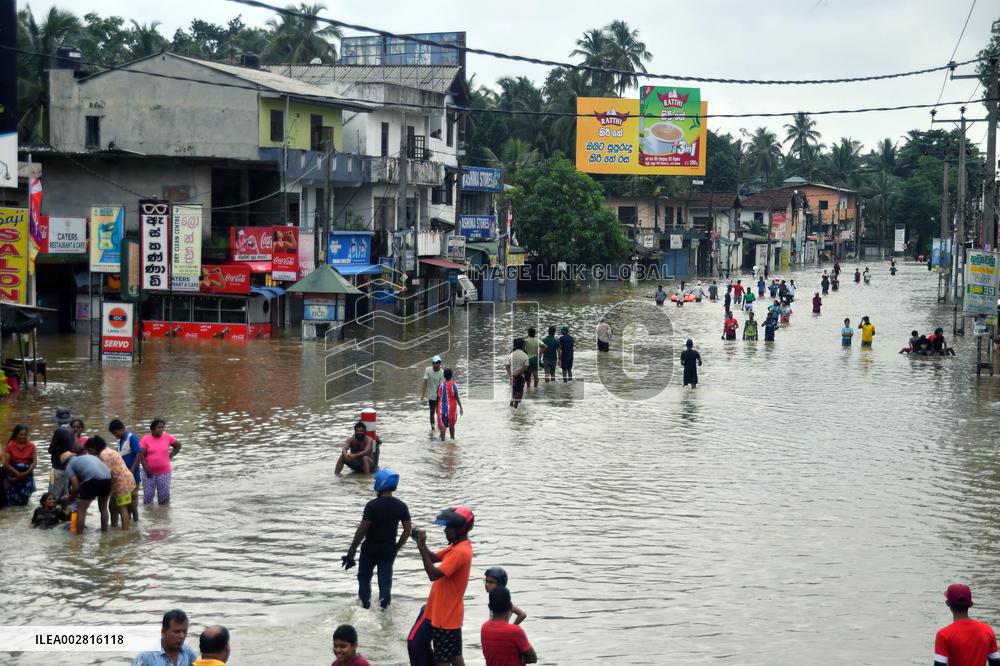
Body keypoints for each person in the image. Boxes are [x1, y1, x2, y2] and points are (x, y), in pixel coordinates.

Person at [413, 506, 475, 666]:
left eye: (448, 527)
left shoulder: (459, 552)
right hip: (451, 615)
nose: (445, 530)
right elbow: (433, 558)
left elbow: (433, 574)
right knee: (455, 656)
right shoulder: (458, 546)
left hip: (444, 617)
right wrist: (421, 543)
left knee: (442, 660)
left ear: (459, 529)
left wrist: (421, 548)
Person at [342, 468, 411, 610]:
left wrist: (352, 549)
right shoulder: (401, 506)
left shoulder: (372, 505)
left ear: (380, 484)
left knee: (364, 579)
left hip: (369, 551)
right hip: (388, 552)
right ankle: (384, 611)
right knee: (385, 584)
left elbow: (363, 529)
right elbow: (407, 529)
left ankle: (364, 606)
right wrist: (397, 547)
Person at [933, 584, 1000, 666]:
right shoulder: (987, 630)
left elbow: (939, 664)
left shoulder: (943, 635)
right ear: (971, 604)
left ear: (947, 603)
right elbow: (996, 662)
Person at [481, 587, 537, 666]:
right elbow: (533, 658)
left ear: (489, 606)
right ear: (510, 606)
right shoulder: (515, 631)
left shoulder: (484, 628)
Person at [92, 435, 137, 530]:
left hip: (121, 483)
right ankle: (114, 527)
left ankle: (125, 532)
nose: (89, 453)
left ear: (94, 447)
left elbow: (106, 473)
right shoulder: (108, 450)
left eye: (89, 450)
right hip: (123, 480)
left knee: (122, 508)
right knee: (113, 507)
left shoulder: (104, 455)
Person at [65, 445, 112, 532]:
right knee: (103, 508)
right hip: (108, 479)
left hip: (92, 480)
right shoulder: (89, 457)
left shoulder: (69, 466)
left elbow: (76, 487)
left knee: (81, 510)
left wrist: (70, 498)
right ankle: (104, 533)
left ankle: (79, 537)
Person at [132, 609, 197, 666]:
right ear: (163, 631)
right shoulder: (145, 657)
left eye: (184, 632)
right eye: (177, 632)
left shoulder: (188, 652)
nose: (182, 636)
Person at [139, 418, 181, 505]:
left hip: (164, 472)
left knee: (164, 499)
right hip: (148, 473)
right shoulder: (145, 439)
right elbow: (141, 455)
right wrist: (147, 469)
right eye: (159, 428)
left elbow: (178, 446)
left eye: (162, 428)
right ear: (153, 429)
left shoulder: (167, 437)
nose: (161, 430)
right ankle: (149, 517)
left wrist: (171, 455)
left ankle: (163, 515)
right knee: (148, 498)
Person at [110, 419, 142, 524]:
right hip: (123, 479)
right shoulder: (119, 443)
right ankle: (129, 521)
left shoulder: (130, 437)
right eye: (113, 434)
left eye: (116, 433)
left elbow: (138, 453)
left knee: (133, 503)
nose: (115, 435)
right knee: (126, 503)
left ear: (122, 429)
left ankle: (136, 522)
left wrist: (132, 469)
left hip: (133, 476)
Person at [4, 424, 37, 505]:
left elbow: (34, 462)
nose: (23, 437)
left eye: (25, 435)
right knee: (12, 500)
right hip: (14, 475)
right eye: (21, 435)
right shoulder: (10, 446)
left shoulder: (32, 446)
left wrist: (26, 473)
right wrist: (17, 473)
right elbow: (6, 464)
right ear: (16, 434)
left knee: (25, 499)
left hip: (27, 475)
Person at [47, 420, 75, 501]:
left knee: (52, 496)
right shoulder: (71, 430)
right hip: (66, 468)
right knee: (65, 494)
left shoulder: (59, 431)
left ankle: (52, 512)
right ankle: (66, 512)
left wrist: (50, 449)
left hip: (57, 468)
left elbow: (51, 449)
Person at [436, 368, 464, 441]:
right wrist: (461, 407)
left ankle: (442, 442)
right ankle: (452, 440)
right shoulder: (454, 385)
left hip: (442, 408)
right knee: (452, 426)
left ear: (444, 376)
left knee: (443, 426)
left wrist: (436, 408)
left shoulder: (441, 385)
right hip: (452, 409)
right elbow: (457, 397)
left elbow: (438, 397)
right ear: (451, 375)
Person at [421, 356, 445, 433]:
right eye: (436, 363)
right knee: (431, 414)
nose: (438, 364)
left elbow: (442, 386)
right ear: (433, 363)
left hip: (439, 397)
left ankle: (440, 427)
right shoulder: (428, 370)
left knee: (439, 414)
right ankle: (433, 429)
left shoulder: (442, 372)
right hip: (431, 397)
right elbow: (425, 382)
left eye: (439, 363)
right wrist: (423, 395)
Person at [505, 338, 530, 408]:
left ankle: (512, 403)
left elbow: (507, 366)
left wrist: (511, 375)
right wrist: (518, 373)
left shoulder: (511, 354)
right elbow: (526, 367)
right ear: (522, 346)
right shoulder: (525, 355)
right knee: (520, 391)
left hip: (512, 376)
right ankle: (516, 406)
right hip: (521, 376)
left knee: (514, 390)